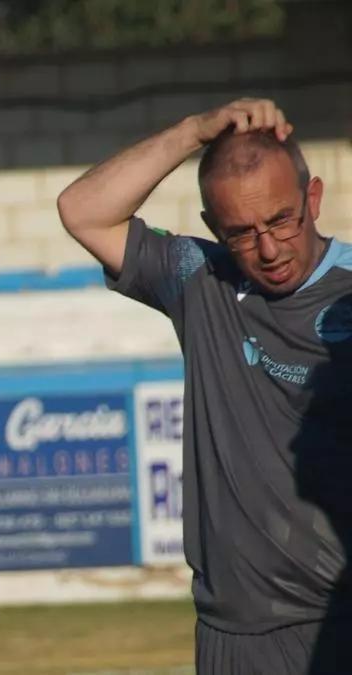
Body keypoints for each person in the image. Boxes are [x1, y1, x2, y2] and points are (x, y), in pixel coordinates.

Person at [58, 98, 352, 673]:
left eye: (281, 220)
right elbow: (83, 210)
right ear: (214, 229)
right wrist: (195, 131)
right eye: (241, 233)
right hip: (230, 634)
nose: (268, 249)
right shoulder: (202, 277)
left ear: (312, 200)